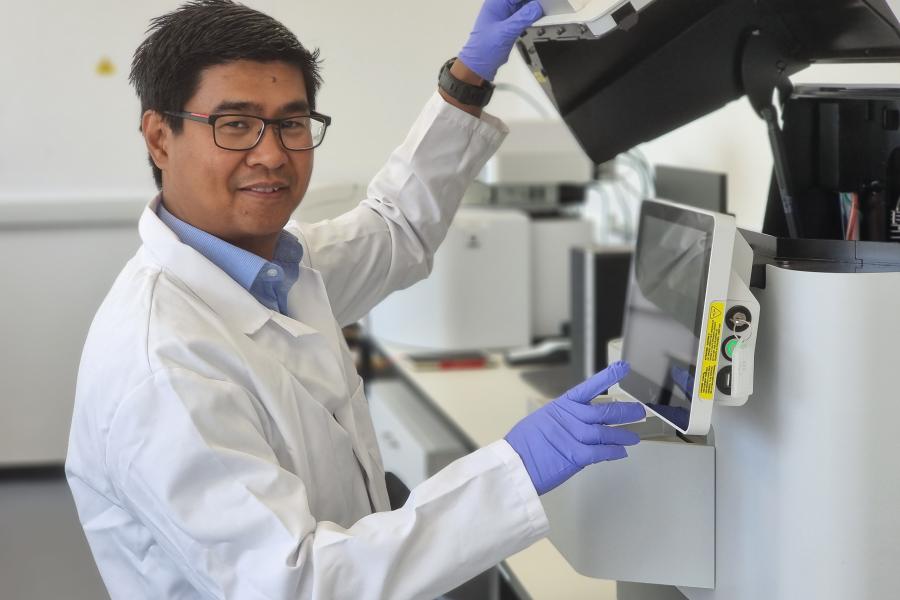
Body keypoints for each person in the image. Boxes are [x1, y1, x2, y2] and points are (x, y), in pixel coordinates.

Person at [65, 1, 646, 598]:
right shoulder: (161, 365)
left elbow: (396, 229)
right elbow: (300, 584)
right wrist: (512, 471)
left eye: (292, 123)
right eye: (234, 124)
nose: (271, 154)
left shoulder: (273, 270)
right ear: (160, 137)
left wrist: (467, 80)